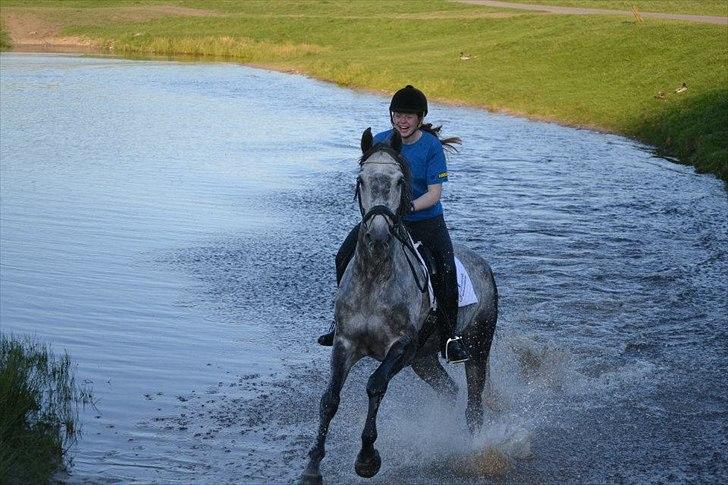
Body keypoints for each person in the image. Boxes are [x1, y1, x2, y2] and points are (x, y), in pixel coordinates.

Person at [318, 85, 470, 364]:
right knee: (343, 255)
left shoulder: (431, 148)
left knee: (446, 268)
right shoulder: (380, 141)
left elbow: (434, 194)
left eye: (409, 116)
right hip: (383, 219)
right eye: (398, 115)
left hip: (425, 221)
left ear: (421, 118)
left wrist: (404, 207)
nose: (402, 120)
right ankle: (340, 322)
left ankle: (450, 338)